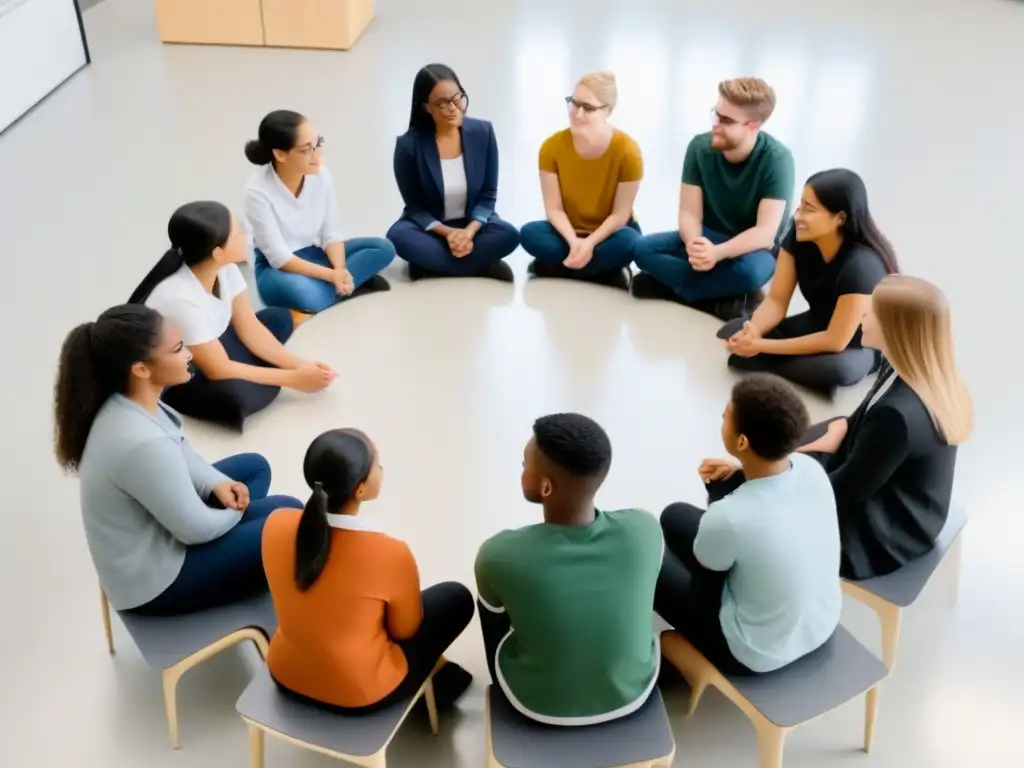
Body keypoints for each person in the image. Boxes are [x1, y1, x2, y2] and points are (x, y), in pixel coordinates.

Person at [54, 304, 302, 616]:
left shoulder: (131, 402)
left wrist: (218, 484)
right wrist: (235, 512)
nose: (189, 354)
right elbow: (194, 529)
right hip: (158, 581)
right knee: (291, 522)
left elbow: (183, 453)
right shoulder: (140, 443)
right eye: (177, 349)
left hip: (160, 531)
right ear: (141, 368)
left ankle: (245, 547)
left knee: (255, 469)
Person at [262, 429, 475, 713]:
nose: (382, 469)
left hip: (285, 672)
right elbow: (405, 629)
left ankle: (439, 671)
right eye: (377, 466)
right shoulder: (389, 553)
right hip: (359, 693)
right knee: (456, 597)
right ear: (360, 489)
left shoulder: (275, 523)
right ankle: (433, 679)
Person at [475, 413, 662, 725]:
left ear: (546, 487)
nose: (521, 469)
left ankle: (502, 684)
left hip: (536, 705)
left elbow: (494, 622)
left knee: (497, 602)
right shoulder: (644, 529)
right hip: (632, 695)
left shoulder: (499, 554)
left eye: (525, 464)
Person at [656, 374, 841, 675]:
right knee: (675, 516)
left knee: (651, 561)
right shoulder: (811, 469)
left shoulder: (728, 516)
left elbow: (705, 591)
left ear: (742, 441)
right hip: (821, 624)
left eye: (725, 417)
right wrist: (740, 470)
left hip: (753, 652)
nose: (721, 419)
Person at [798, 276, 974, 580]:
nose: (862, 315)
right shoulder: (913, 370)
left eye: (872, 312)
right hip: (915, 503)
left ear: (896, 329)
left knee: (768, 497)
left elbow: (846, 491)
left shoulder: (898, 415)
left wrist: (783, 491)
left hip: (884, 535)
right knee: (790, 454)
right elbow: (867, 415)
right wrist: (841, 429)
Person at [128, 201, 336, 430]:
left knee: (278, 319)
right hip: (185, 368)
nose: (244, 237)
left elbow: (250, 328)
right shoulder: (177, 299)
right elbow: (219, 368)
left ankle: (258, 370)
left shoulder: (225, 268)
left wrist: (301, 366)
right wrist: (293, 380)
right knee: (238, 397)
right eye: (237, 234)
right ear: (217, 252)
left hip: (211, 342)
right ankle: (250, 377)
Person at [717, 169, 899, 396]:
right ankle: (779, 360)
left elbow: (836, 340)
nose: (798, 216)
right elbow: (775, 301)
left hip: (856, 342)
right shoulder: (799, 234)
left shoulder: (860, 265)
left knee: (838, 370)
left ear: (839, 218)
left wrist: (761, 347)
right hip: (818, 321)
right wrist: (753, 331)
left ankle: (871, 363)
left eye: (809, 210)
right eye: (800, 206)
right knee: (732, 331)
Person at [632, 77, 795, 320]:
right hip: (706, 236)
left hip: (750, 248)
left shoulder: (777, 160)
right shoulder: (699, 147)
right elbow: (689, 212)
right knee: (641, 249)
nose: (715, 124)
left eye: (726, 120)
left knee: (750, 274)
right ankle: (721, 300)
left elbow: (764, 233)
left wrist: (717, 254)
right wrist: (695, 246)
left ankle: (677, 291)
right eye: (715, 114)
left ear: (753, 125)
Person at [244, 110, 396, 314]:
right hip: (277, 269)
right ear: (280, 154)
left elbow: (331, 233)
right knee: (305, 293)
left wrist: (339, 270)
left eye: (318, 144)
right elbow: (279, 257)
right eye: (307, 149)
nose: (318, 154)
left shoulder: (321, 176)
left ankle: (339, 286)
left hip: (315, 254)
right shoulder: (257, 191)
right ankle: (350, 285)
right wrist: (330, 275)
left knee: (383, 248)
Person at [387, 64, 520, 282]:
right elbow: (415, 208)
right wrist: (449, 234)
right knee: (398, 237)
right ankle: (479, 265)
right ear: (426, 107)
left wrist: (468, 233)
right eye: (442, 103)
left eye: (458, 98)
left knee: (510, 235)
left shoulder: (483, 133)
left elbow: (488, 195)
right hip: (433, 229)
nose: (453, 108)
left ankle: (434, 267)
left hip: (473, 226)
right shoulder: (408, 145)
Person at [519, 72, 643, 291]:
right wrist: (575, 242)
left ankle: (559, 267)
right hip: (566, 231)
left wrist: (590, 243)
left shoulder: (628, 152)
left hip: (609, 233)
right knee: (529, 234)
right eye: (574, 103)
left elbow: (620, 215)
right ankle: (601, 271)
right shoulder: (552, 147)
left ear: (609, 111)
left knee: (632, 243)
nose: (577, 113)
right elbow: (554, 209)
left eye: (588, 107)